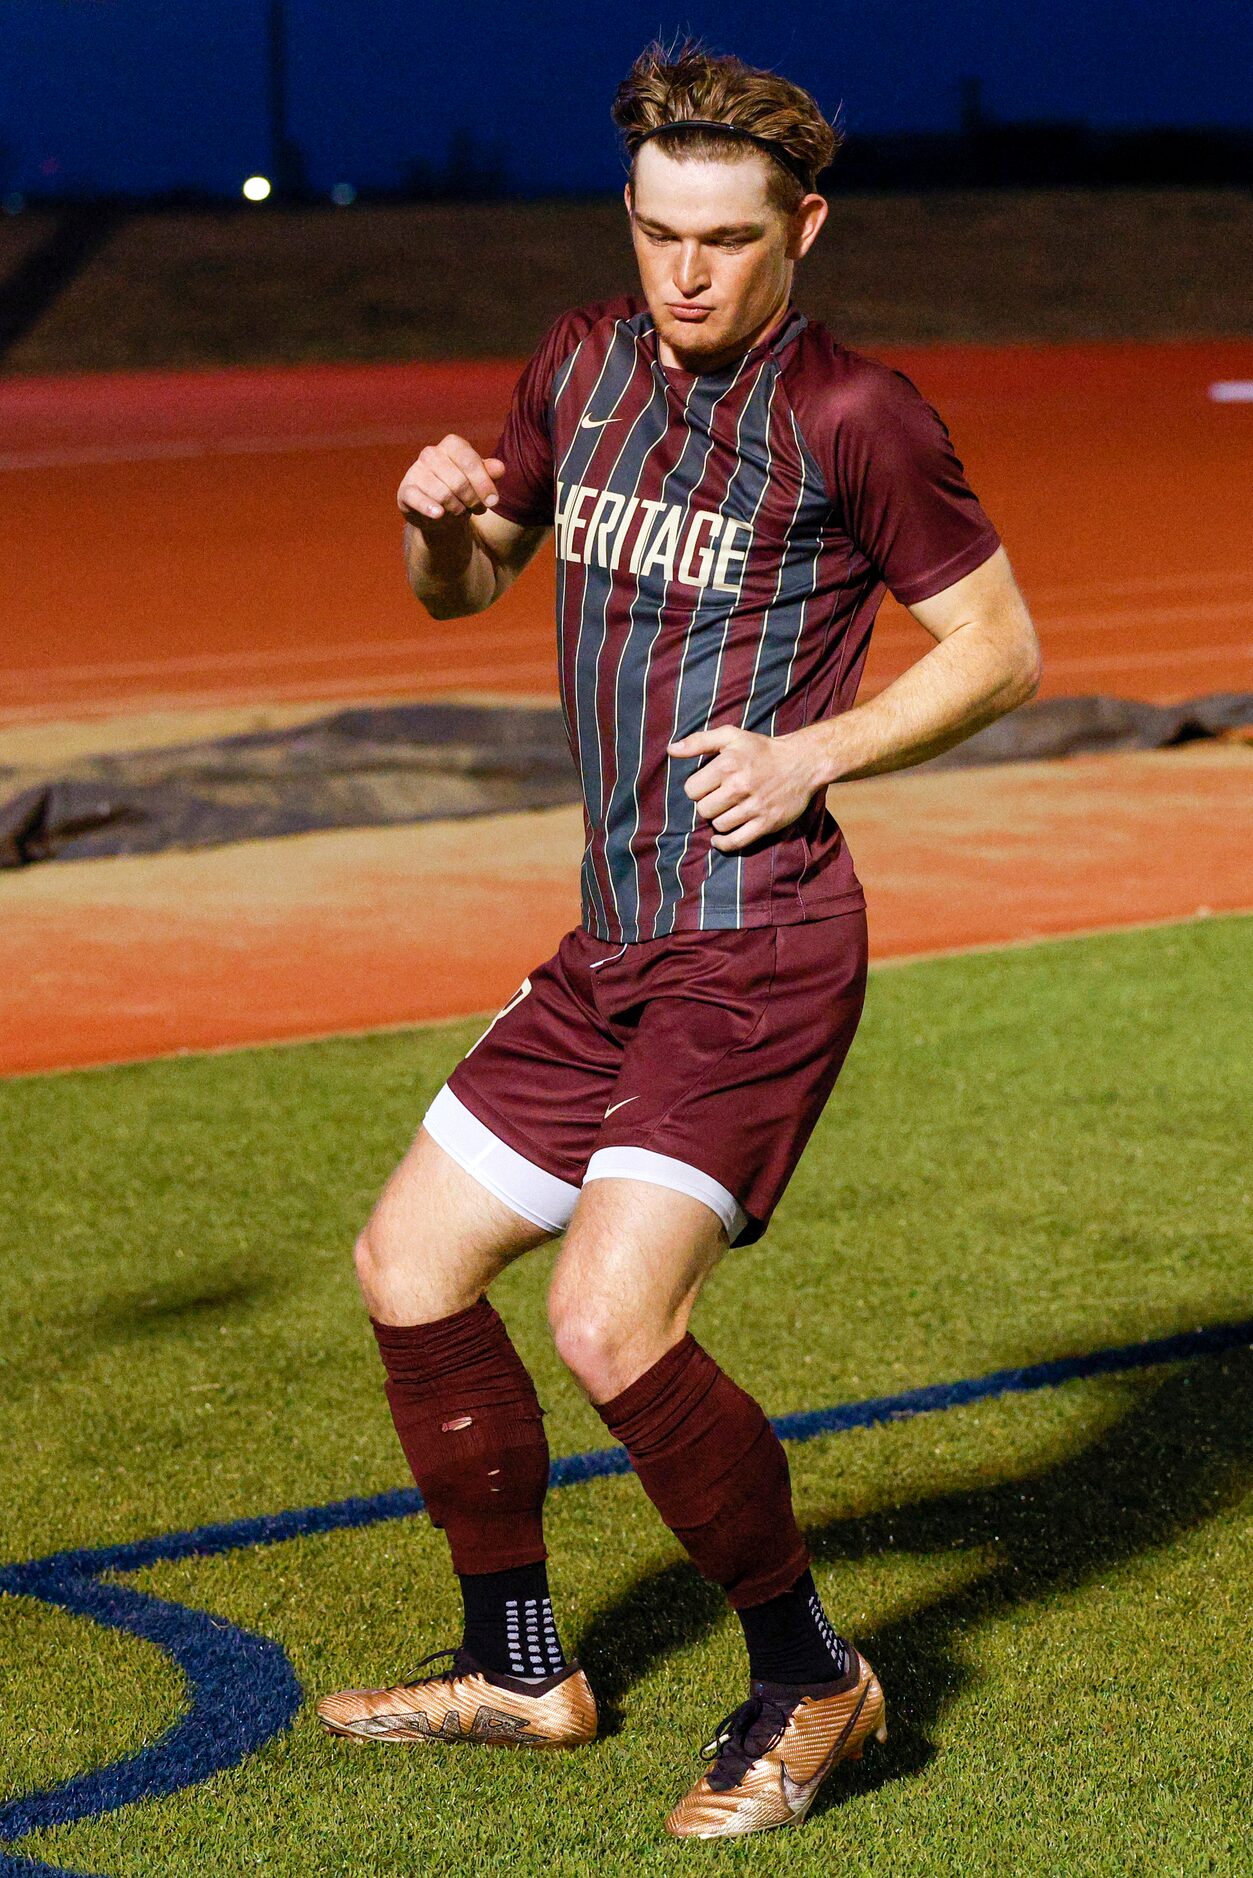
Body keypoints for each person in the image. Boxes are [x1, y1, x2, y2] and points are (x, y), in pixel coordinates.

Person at [316, 39, 1041, 1840]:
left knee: (608, 1318)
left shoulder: (857, 415)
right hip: (614, 936)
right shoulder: (577, 359)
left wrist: (812, 749)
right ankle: (518, 1662)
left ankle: (812, 1674)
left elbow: (999, 649)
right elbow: (476, 580)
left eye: (724, 239)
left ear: (804, 227)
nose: (686, 274)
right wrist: (435, 526)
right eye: (658, 234)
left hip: (759, 941)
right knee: (408, 1264)